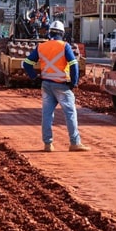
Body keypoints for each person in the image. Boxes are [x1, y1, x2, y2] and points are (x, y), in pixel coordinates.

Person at [22, 20, 88, 153]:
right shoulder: (65, 46)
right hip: (62, 85)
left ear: (49, 32)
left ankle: (48, 144)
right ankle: (74, 143)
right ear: (62, 33)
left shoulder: (41, 47)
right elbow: (74, 64)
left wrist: (34, 77)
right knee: (70, 113)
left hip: (46, 84)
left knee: (47, 114)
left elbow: (27, 63)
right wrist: (74, 83)